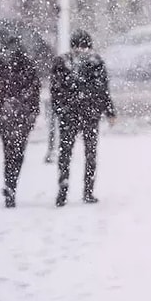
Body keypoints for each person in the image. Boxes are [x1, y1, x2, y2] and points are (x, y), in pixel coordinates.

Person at [0, 35, 41, 208]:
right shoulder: (26, 64)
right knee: (18, 153)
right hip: (22, 115)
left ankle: (10, 185)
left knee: (9, 152)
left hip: (5, 114)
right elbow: (35, 91)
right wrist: (32, 111)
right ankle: (12, 185)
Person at [51, 30, 116, 207]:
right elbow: (103, 90)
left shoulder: (61, 62)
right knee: (90, 153)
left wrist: (61, 110)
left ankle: (63, 189)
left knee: (65, 153)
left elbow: (55, 91)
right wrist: (109, 111)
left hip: (69, 115)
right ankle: (88, 191)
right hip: (90, 114)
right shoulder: (95, 61)